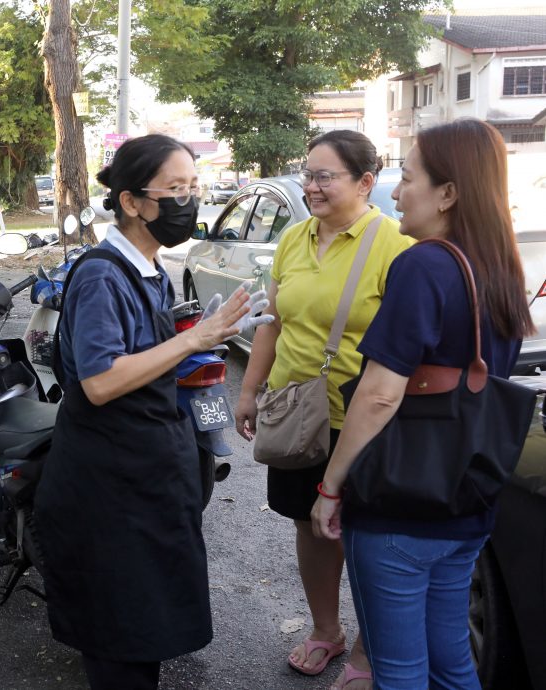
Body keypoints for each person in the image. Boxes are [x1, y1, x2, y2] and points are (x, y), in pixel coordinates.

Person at [35, 134, 271, 690]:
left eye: (193, 187)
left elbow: (144, 357)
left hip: (144, 482)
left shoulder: (148, 267)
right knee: (121, 640)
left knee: (144, 629)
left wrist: (200, 334)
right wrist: (195, 341)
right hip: (110, 494)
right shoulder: (101, 275)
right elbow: (100, 381)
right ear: (132, 201)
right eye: (174, 189)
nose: (188, 200)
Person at [310, 119, 534, 689]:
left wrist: (331, 486)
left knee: (400, 670)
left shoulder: (424, 265)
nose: (396, 191)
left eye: (407, 177)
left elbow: (381, 392)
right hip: (467, 503)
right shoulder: (502, 267)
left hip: (399, 504)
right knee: (451, 661)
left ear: (448, 193)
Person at [233, 130, 413, 689]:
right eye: (308, 173)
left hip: (361, 418)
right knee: (308, 528)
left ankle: (367, 651)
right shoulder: (293, 238)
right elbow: (274, 322)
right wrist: (249, 391)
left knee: (362, 535)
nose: (311, 185)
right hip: (295, 414)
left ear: (365, 182)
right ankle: (325, 630)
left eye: (325, 176)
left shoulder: (394, 248)